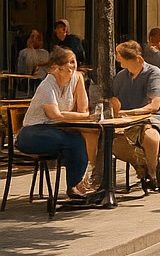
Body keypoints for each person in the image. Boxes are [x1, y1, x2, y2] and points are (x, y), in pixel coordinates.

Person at [16, 48, 99, 201]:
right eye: (69, 63)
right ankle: (76, 185)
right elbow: (55, 115)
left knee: (83, 138)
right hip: (32, 132)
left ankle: (84, 183)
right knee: (73, 141)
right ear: (56, 66)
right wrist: (86, 116)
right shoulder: (47, 85)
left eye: (74, 62)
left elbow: (83, 108)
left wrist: (80, 80)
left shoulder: (75, 78)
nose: (73, 66)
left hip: (56, 129)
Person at [107, 40, 160, 194]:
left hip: (158, 117)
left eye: (120, 56)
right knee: (109, 137)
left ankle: (152, 174)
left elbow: (154, 106)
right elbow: (115, 102)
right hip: (129, 120)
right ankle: (140, 165)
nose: (117, 59)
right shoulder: (120, 77)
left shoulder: (153, 73)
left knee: (149, 135)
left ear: (137, 59)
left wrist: (127, 113)